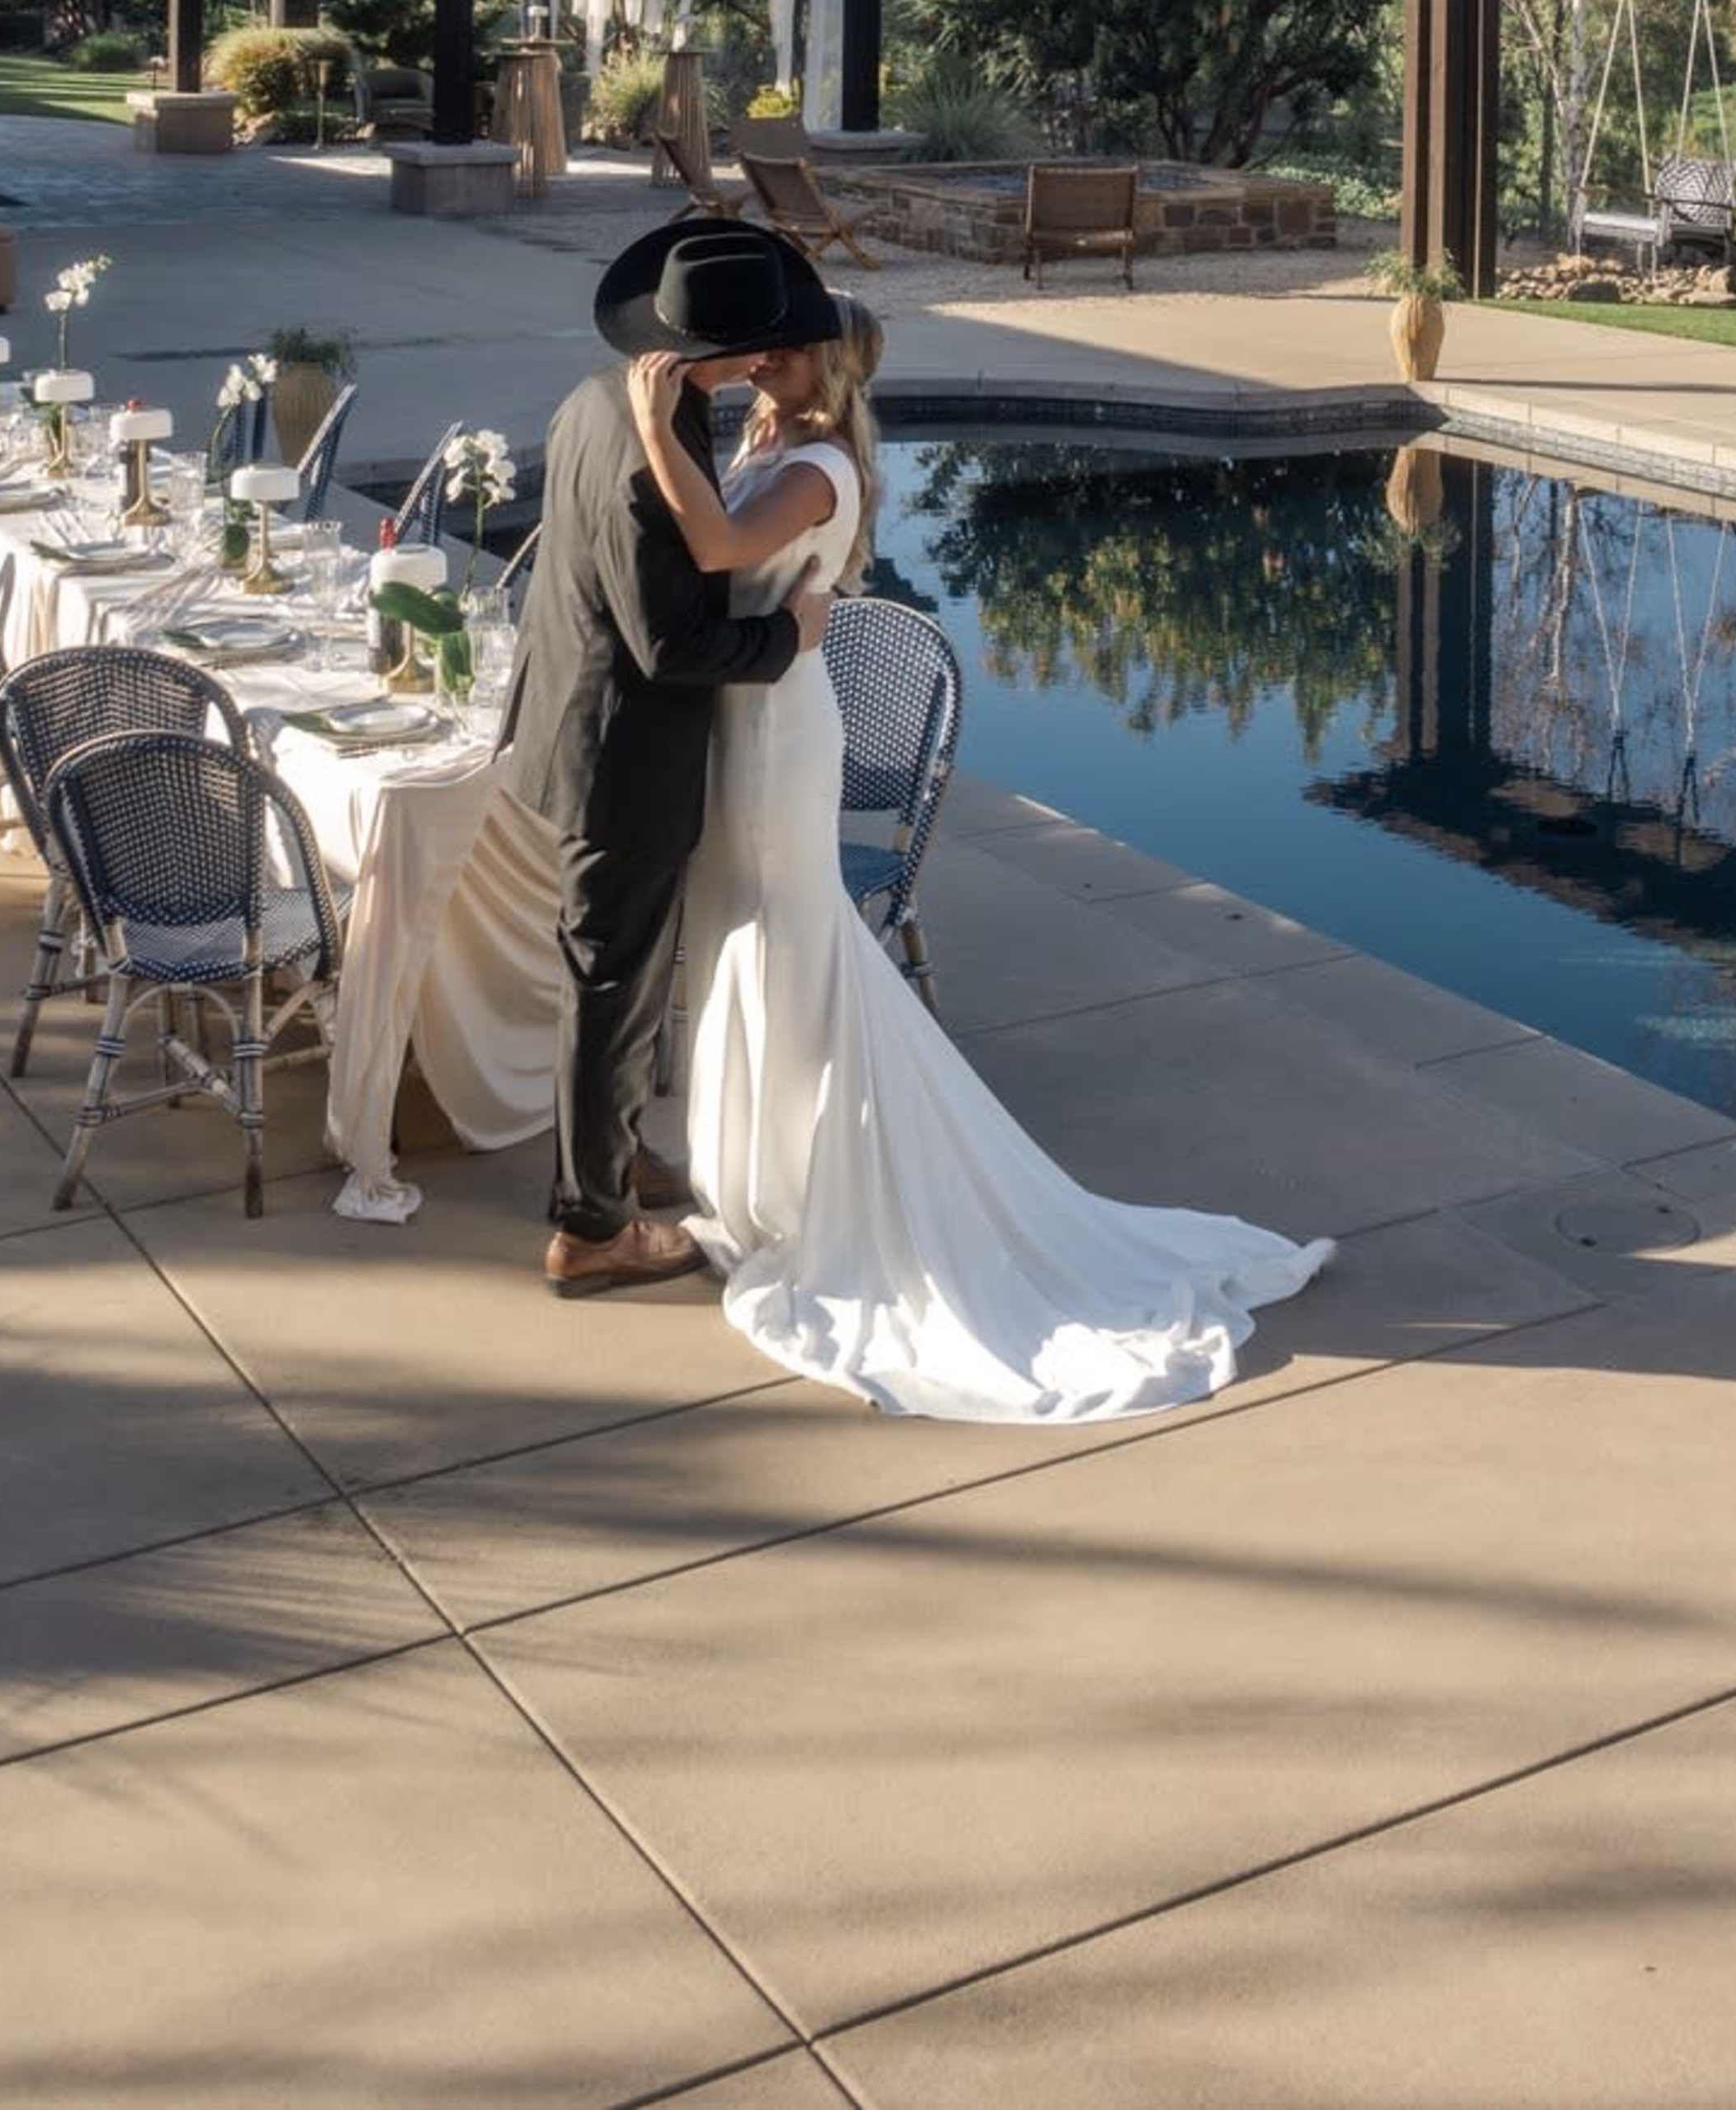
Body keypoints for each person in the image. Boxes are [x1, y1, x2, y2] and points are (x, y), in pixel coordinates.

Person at [629, 285, 1332, 1420]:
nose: (765, 352)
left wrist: (656, 426)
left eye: (790, 346)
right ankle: (762, 1180)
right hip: (743, 714)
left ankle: (825, 1198)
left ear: (830, 369)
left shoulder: (822, 473)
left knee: (794, 951)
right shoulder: (772, 437)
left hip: (778, 738)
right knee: (743, 945)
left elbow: (713, 545)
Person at [499, 211, 850, 1295]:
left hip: (569, 722)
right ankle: (593, 1227)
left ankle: (615, 1159)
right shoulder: (665, 458)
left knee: (619, 973)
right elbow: (674, 643)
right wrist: (787, 635)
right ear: (742, 354)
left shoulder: (594, 400)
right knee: (612, 981)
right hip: (626, 751)